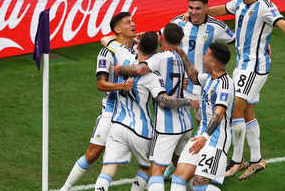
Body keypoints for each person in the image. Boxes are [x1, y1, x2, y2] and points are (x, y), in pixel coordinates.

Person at [207, 0, 285, 180]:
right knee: (247, 110)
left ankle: (237, 160)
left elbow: (281, 21)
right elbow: (224, 8)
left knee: (235, 106)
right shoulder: (240, 1)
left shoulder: (265, 7)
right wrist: (203, 13)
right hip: (243, 64)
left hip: (255, 66)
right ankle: (256, 160)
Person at [93, 32, 199, 191]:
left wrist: (133, 41)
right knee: (150, 169)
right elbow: (163, 99)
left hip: (118, 125)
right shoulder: (153, 75)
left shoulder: (123, 54)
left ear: (138, 46)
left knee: (107, 170)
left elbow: (106, 39)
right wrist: (187, 99)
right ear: (155, 52)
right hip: (141, 129)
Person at [59, 12, 137, 191]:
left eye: (133, 21)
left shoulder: (139, 49)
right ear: (117, 29)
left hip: (135, 113)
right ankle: (65, 188)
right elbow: (100, 84)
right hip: (111, 111)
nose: (133, 25)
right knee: (93, 153)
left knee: (151, 155)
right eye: (128, 22)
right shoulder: (106, 52)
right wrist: (121, 87)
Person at [163, 0, 235, 180]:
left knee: (205, 126)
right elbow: (163, 38)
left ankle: (211, 163)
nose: (193, 12)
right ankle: (175, 164)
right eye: (190, 8)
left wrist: (263, 46)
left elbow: (236, 40)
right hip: (182, 87)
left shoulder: (217, 26)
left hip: (205, 88)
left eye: (197, 8)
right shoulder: (179, 22)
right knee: (174, 129)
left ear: (206, 8)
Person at [169, 42, 235, 191]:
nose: (203, 58)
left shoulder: (225, 85)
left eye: (206, 55)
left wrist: (205, 137)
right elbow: (193, 76)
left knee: (198, 185)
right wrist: (181, 53)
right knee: (178, 179)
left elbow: (218, 114)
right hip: (200, 136)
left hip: (215, 141)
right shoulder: (209, 78)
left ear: (213, 60)